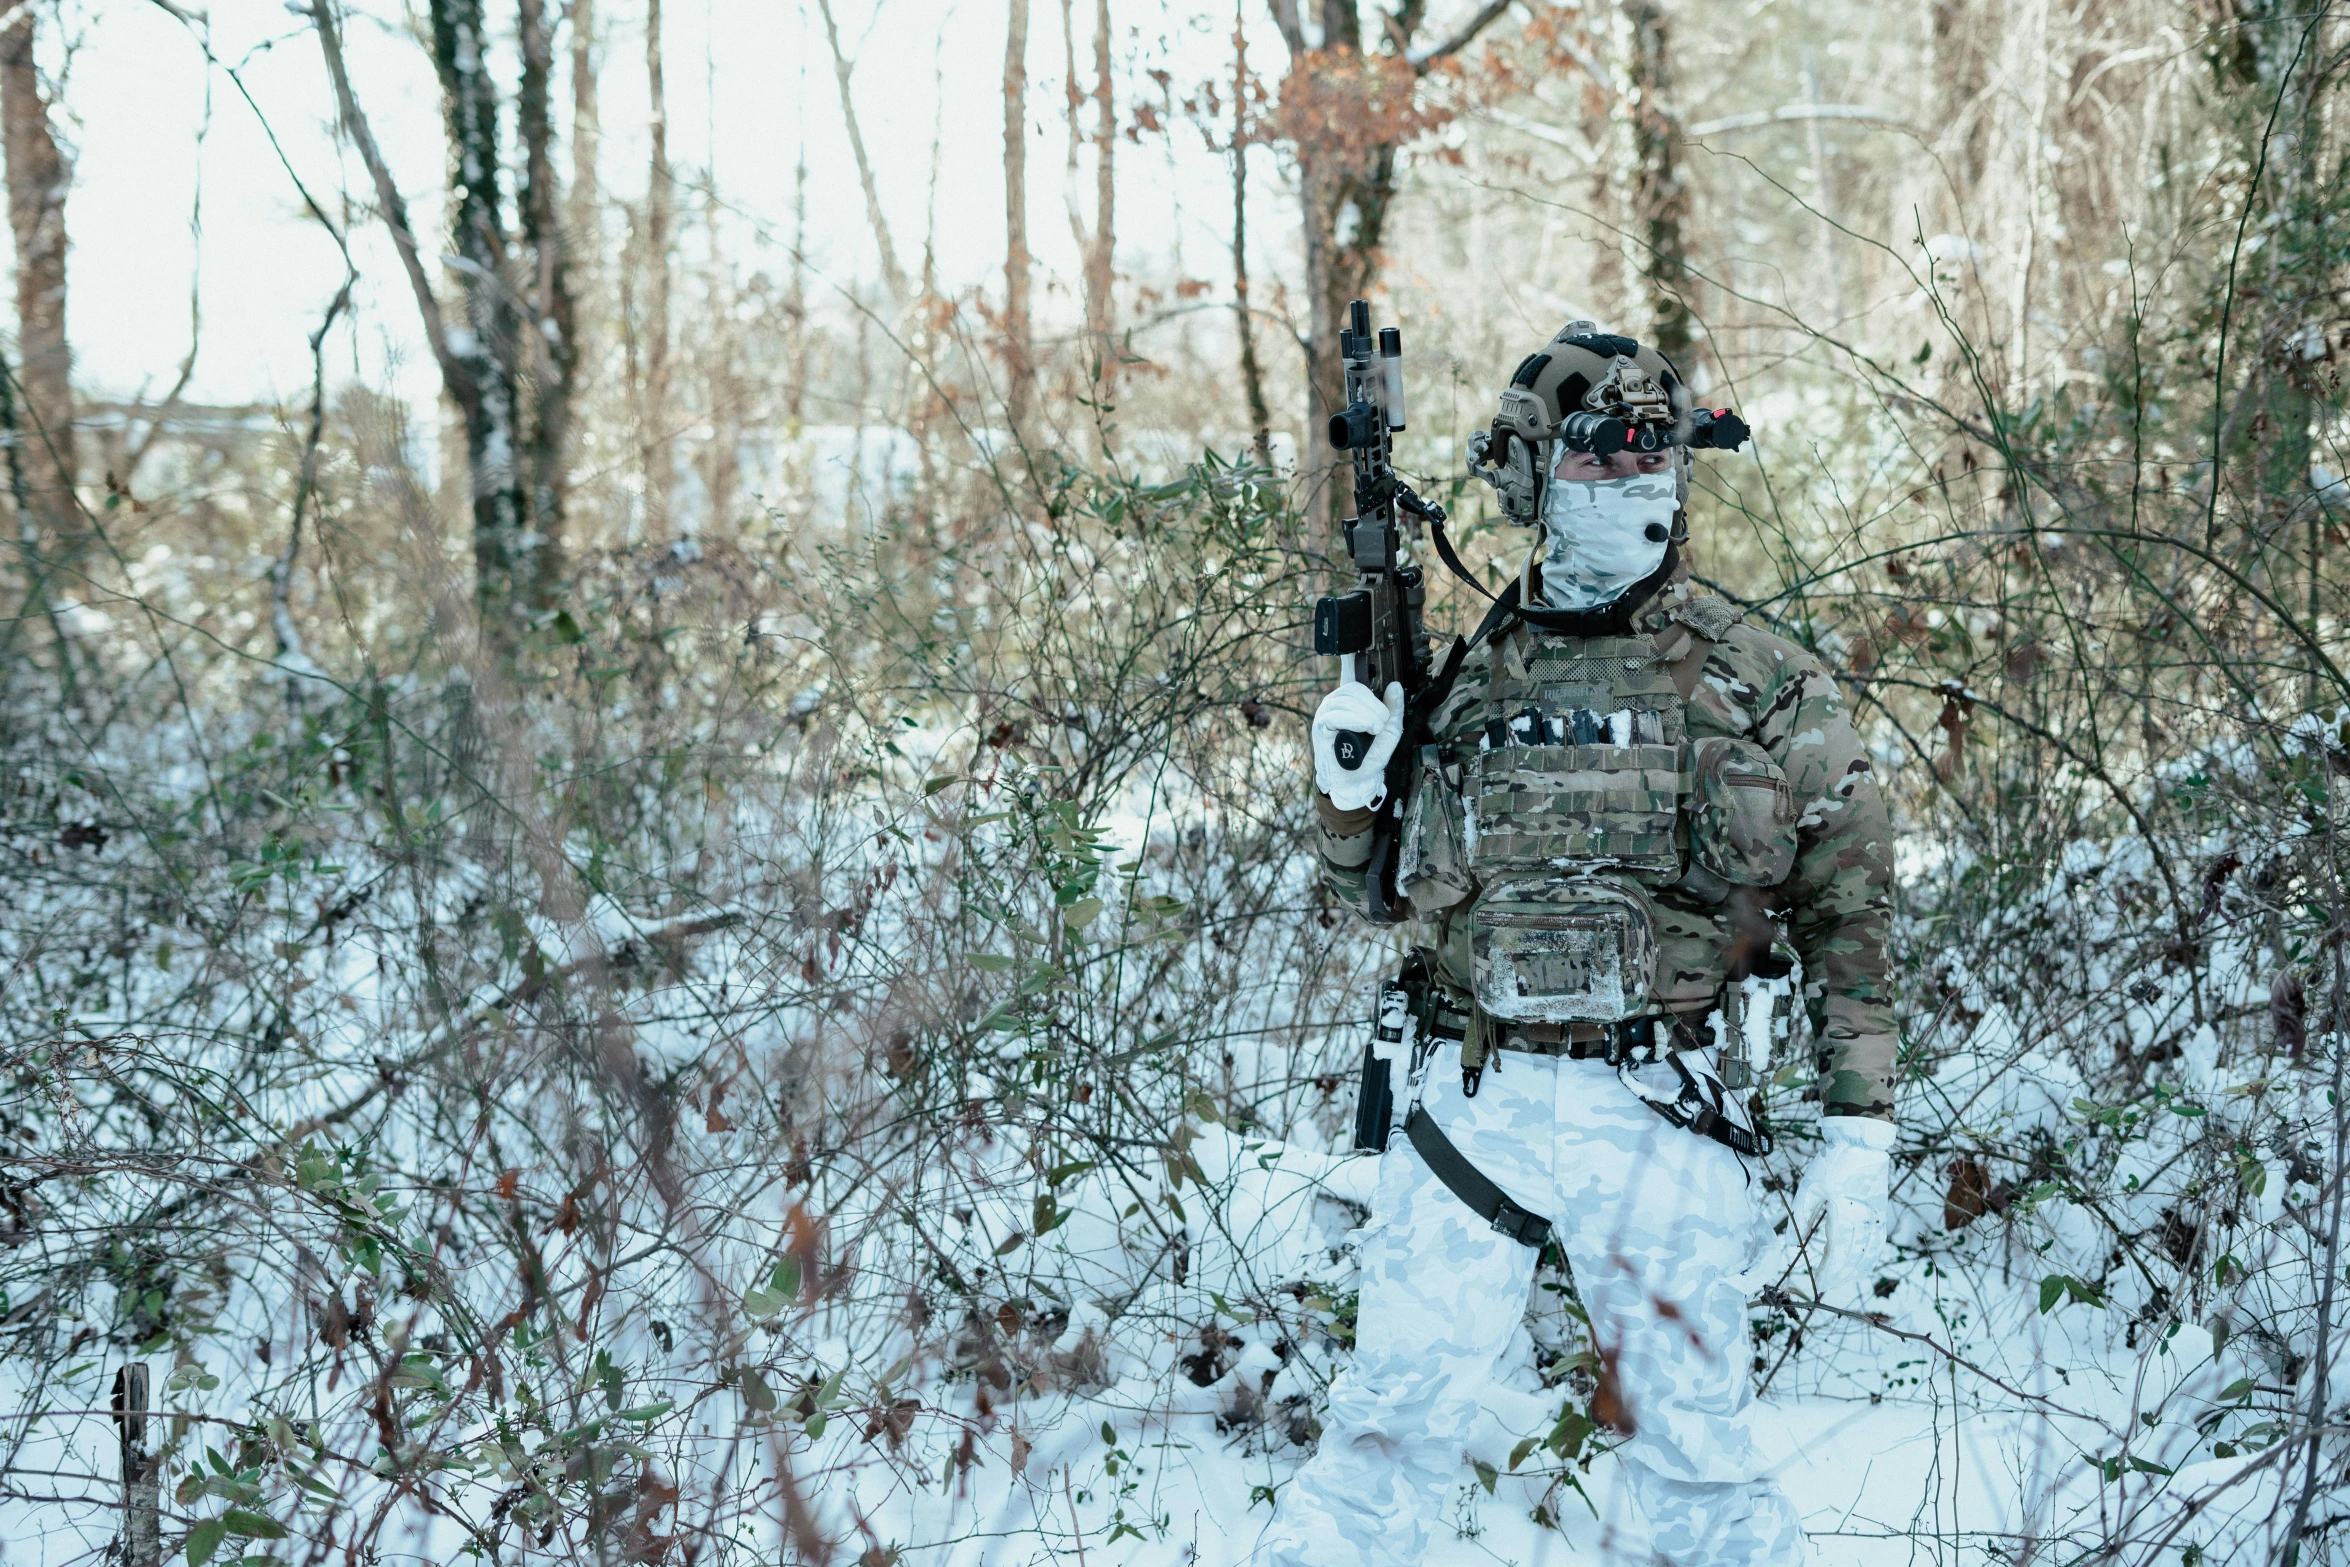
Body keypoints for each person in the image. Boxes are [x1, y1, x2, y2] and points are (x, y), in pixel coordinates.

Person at [1266, 324, 1897, 1565]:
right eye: (1603, 459)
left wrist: (1858, 1124)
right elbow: (1379, 897)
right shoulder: (1462, 677)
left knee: (1692, 1463)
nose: (1637, 485)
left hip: (1657, 1104)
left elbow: (1851, 906)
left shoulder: (1758, 677)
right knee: (1381, 1443)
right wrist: (1346, 793)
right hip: (1468, 1096)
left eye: (1660, 457)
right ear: (1532, 477)